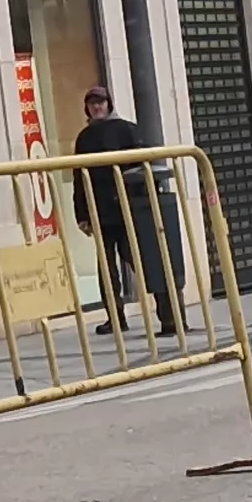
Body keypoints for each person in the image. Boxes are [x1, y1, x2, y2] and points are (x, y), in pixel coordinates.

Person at [70, 86, 184, 337]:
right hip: (100, 211)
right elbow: (78, 176)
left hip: (129, 210)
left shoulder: (126, 130)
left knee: (145, 262)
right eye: (92, 104)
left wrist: (145, 204)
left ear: (109, 104)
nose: (97, 107)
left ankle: (169, 319)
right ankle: (115, 318)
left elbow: (144, 168)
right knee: (107, 268)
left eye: (100, 102)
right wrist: (81, 214)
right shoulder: (84, 137)